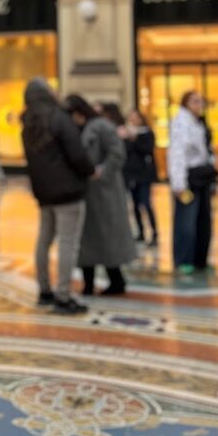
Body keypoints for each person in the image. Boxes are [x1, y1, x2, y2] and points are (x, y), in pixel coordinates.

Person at [21, 79, 95, 315]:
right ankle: (63, 295)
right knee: (67, 243)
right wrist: (90, 170)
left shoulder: (28, 122)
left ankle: (45, 290)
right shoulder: (58, 117)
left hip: (43, 191)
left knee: (44, 240)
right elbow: (76, 153)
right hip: (68, 189)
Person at [65, 95, 137, 296]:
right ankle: (91, 284)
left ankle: (115, 281)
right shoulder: (82, 129)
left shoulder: (101, 127)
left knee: (106, 239)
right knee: (89, 241)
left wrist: (101, 172)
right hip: (88, 194)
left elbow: (117, 153)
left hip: (105, 194)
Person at [168, 90, 216, 274]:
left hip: (202, 176)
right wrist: (178, 184)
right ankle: (183, 260)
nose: (199, 105)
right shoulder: (180, 123)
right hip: (188, 178)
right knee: (186, 222)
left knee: (203, 220)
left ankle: (200, 259)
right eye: (195, 101)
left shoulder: (198, 123)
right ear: (186, 103)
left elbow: (205, 150)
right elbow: (177, 154)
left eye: (201, 101)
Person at [121, 109, 158, 245]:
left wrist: (135, 139)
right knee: (135, 204)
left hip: (144, 175)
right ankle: (141, 232)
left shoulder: (146, 133)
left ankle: (154, 233)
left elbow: (147, 149)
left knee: (146, 203)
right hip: (131, 174)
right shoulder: (125, 134)